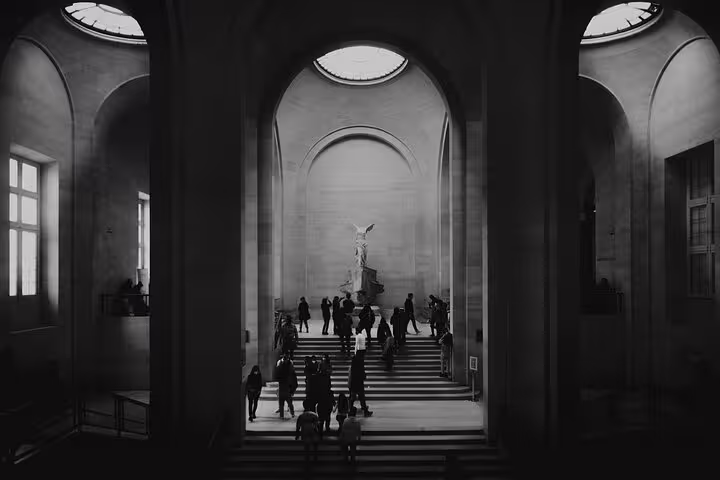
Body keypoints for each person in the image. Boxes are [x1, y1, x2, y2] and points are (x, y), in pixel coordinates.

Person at [295, 399, 320, 464]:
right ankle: (315, 457)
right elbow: (317, 425)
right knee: (315, 444)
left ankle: (307, 458)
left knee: (307, 445)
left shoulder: (301, 416)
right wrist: (319, 433)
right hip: (313, 429)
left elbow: (298, 426)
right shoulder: (314, 414)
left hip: (305, 430)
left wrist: (297, 435)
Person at [275, 354, 297, 418]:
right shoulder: (290, 368)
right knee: (289, 402)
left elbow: (277, 376)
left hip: (282, 386)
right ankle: (292, 413)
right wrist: (292, 389)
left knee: (281, 403)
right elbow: (293, 379)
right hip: (287, 387)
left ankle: (282, 415)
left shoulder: (280, 367)